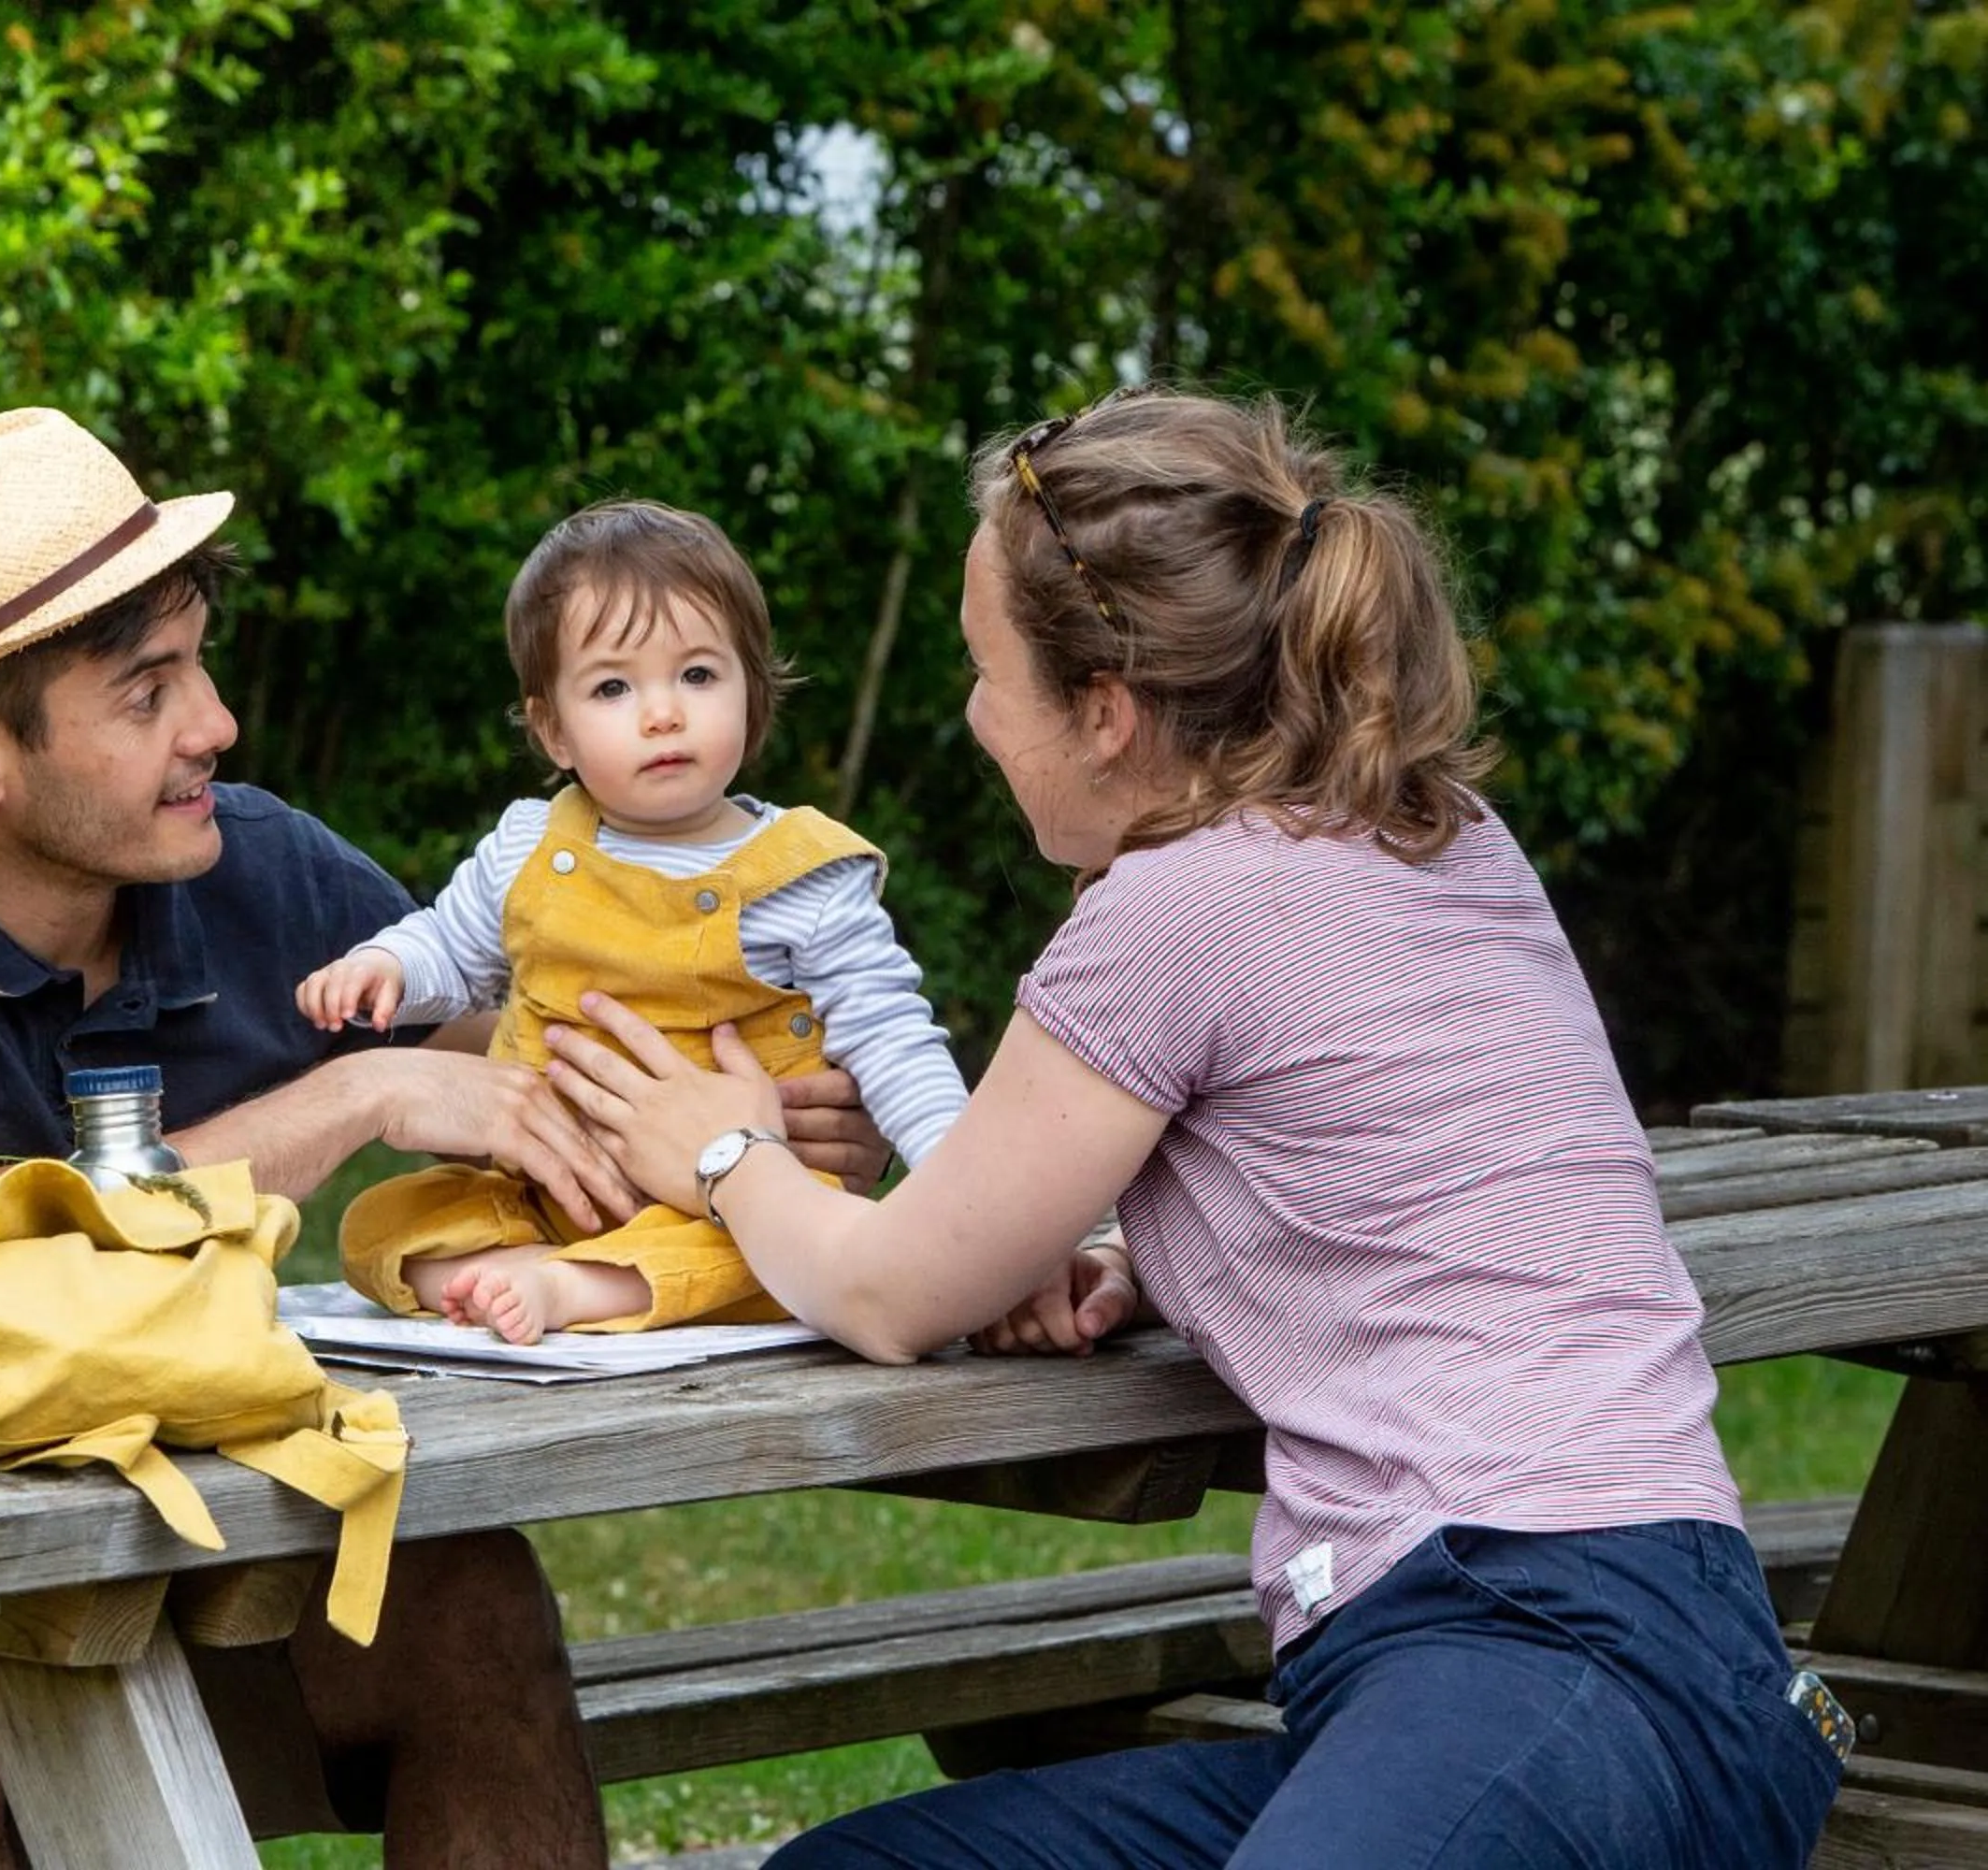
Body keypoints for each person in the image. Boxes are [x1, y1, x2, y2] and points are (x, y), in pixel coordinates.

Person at [538, 389, 1847, 1867]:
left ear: (1104, 713)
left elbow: (893, 1291)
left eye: (985, 673)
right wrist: (1151, 1257)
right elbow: (1409, 1166)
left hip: (1542, 1639)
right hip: (1599, 1654)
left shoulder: (1178, 907)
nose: (971, 715)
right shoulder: (1433, 828)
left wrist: (721, 1153)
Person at [0, 407, 892, 1869]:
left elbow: (560, 1097)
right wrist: (357, 1096)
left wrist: (756, 1139)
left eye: (201, 664)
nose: (216, 726)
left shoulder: (261, 864)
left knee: (468, 1598)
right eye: (149, 692)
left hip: (194, 1591)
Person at [296, 498, 969, 1344]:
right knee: (378, 1224)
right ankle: (538, 1270)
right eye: (613, 687)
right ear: (554, 731)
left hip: (729, 1203)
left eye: (697, 675)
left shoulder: (800, 875)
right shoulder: (530, 845)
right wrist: (388, 966)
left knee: (778, 1257)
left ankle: (579, 1292)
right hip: (550, 1195)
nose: (663, 713)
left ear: (752, 694)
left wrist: (958, 1196)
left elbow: (895, 1043)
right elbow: (451, 945)